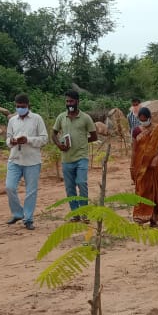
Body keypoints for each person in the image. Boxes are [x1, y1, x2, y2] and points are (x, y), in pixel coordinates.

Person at [5, 94, 49, 230]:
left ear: (28, 106)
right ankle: (18, 213)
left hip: (32, 161)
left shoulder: (37, 119)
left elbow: (44, 138)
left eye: (22, 107)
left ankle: (28, 218)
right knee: (9, 187)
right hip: (15, 159)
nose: (20, 109)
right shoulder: (12, 120)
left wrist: (28, 140)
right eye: (18, 107)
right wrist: (11, 141)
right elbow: (8, 138)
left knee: (31, 191)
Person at [52, 90, 98, 220]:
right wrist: (59, 145)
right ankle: (75, 214)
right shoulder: (61, 117)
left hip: (81, 157)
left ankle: (85, 213)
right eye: (67, 101)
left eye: (71, 101)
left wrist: (82, 141)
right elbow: (53, 134)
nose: (69, 103)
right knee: (70, 188)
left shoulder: (85, 118)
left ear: (77, 101)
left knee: (81, 182)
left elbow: (94, 136)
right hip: (66, 159)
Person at [129, 107, 158, 226]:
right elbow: (134, 150)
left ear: (150, 118)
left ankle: (154, 218)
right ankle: (139, 218)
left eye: (146, 119)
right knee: (141, 191)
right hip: (140, 167)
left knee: (155, 191)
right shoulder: (136, 131)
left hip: (155, 167)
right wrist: (132, 166)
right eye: (141, 120)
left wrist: (156, 158)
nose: (144, 122)